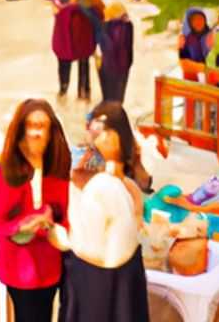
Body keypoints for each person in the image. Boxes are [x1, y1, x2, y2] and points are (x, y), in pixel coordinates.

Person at [57, 102, 150, 321]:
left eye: (100, 133)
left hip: (97, 279)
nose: (96, 139)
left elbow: (89, 244)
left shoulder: (103, 186)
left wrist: (60, 239)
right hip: (125, 273)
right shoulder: (122, 183)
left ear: (112, 137)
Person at [0, 99, 71, 322]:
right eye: (31, 125)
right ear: (21, 129)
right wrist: (25, 225)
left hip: (50, 264)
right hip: (19, 267)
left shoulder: (57, 170)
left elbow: (65, 215)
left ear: (50, 131)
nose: (36, 132)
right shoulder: (4, 172)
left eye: (41, 126)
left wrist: (54, 227)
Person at [52, 0, 97, 100]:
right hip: (84, 45)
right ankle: (84, 91)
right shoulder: (88, 11)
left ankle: (63, 88)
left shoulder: (62, 12)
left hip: (64, 46)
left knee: (64, 65)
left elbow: (58, 31)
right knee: (84, 65)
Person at [98, 4, 134, 104]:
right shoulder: (128, 25)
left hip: (108, 66)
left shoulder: (106, 26)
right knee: (119, 98)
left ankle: (112, 116)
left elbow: (105, 47)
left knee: (109, 97)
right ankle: (118, 114)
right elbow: (129, 45)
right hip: (124, 65)